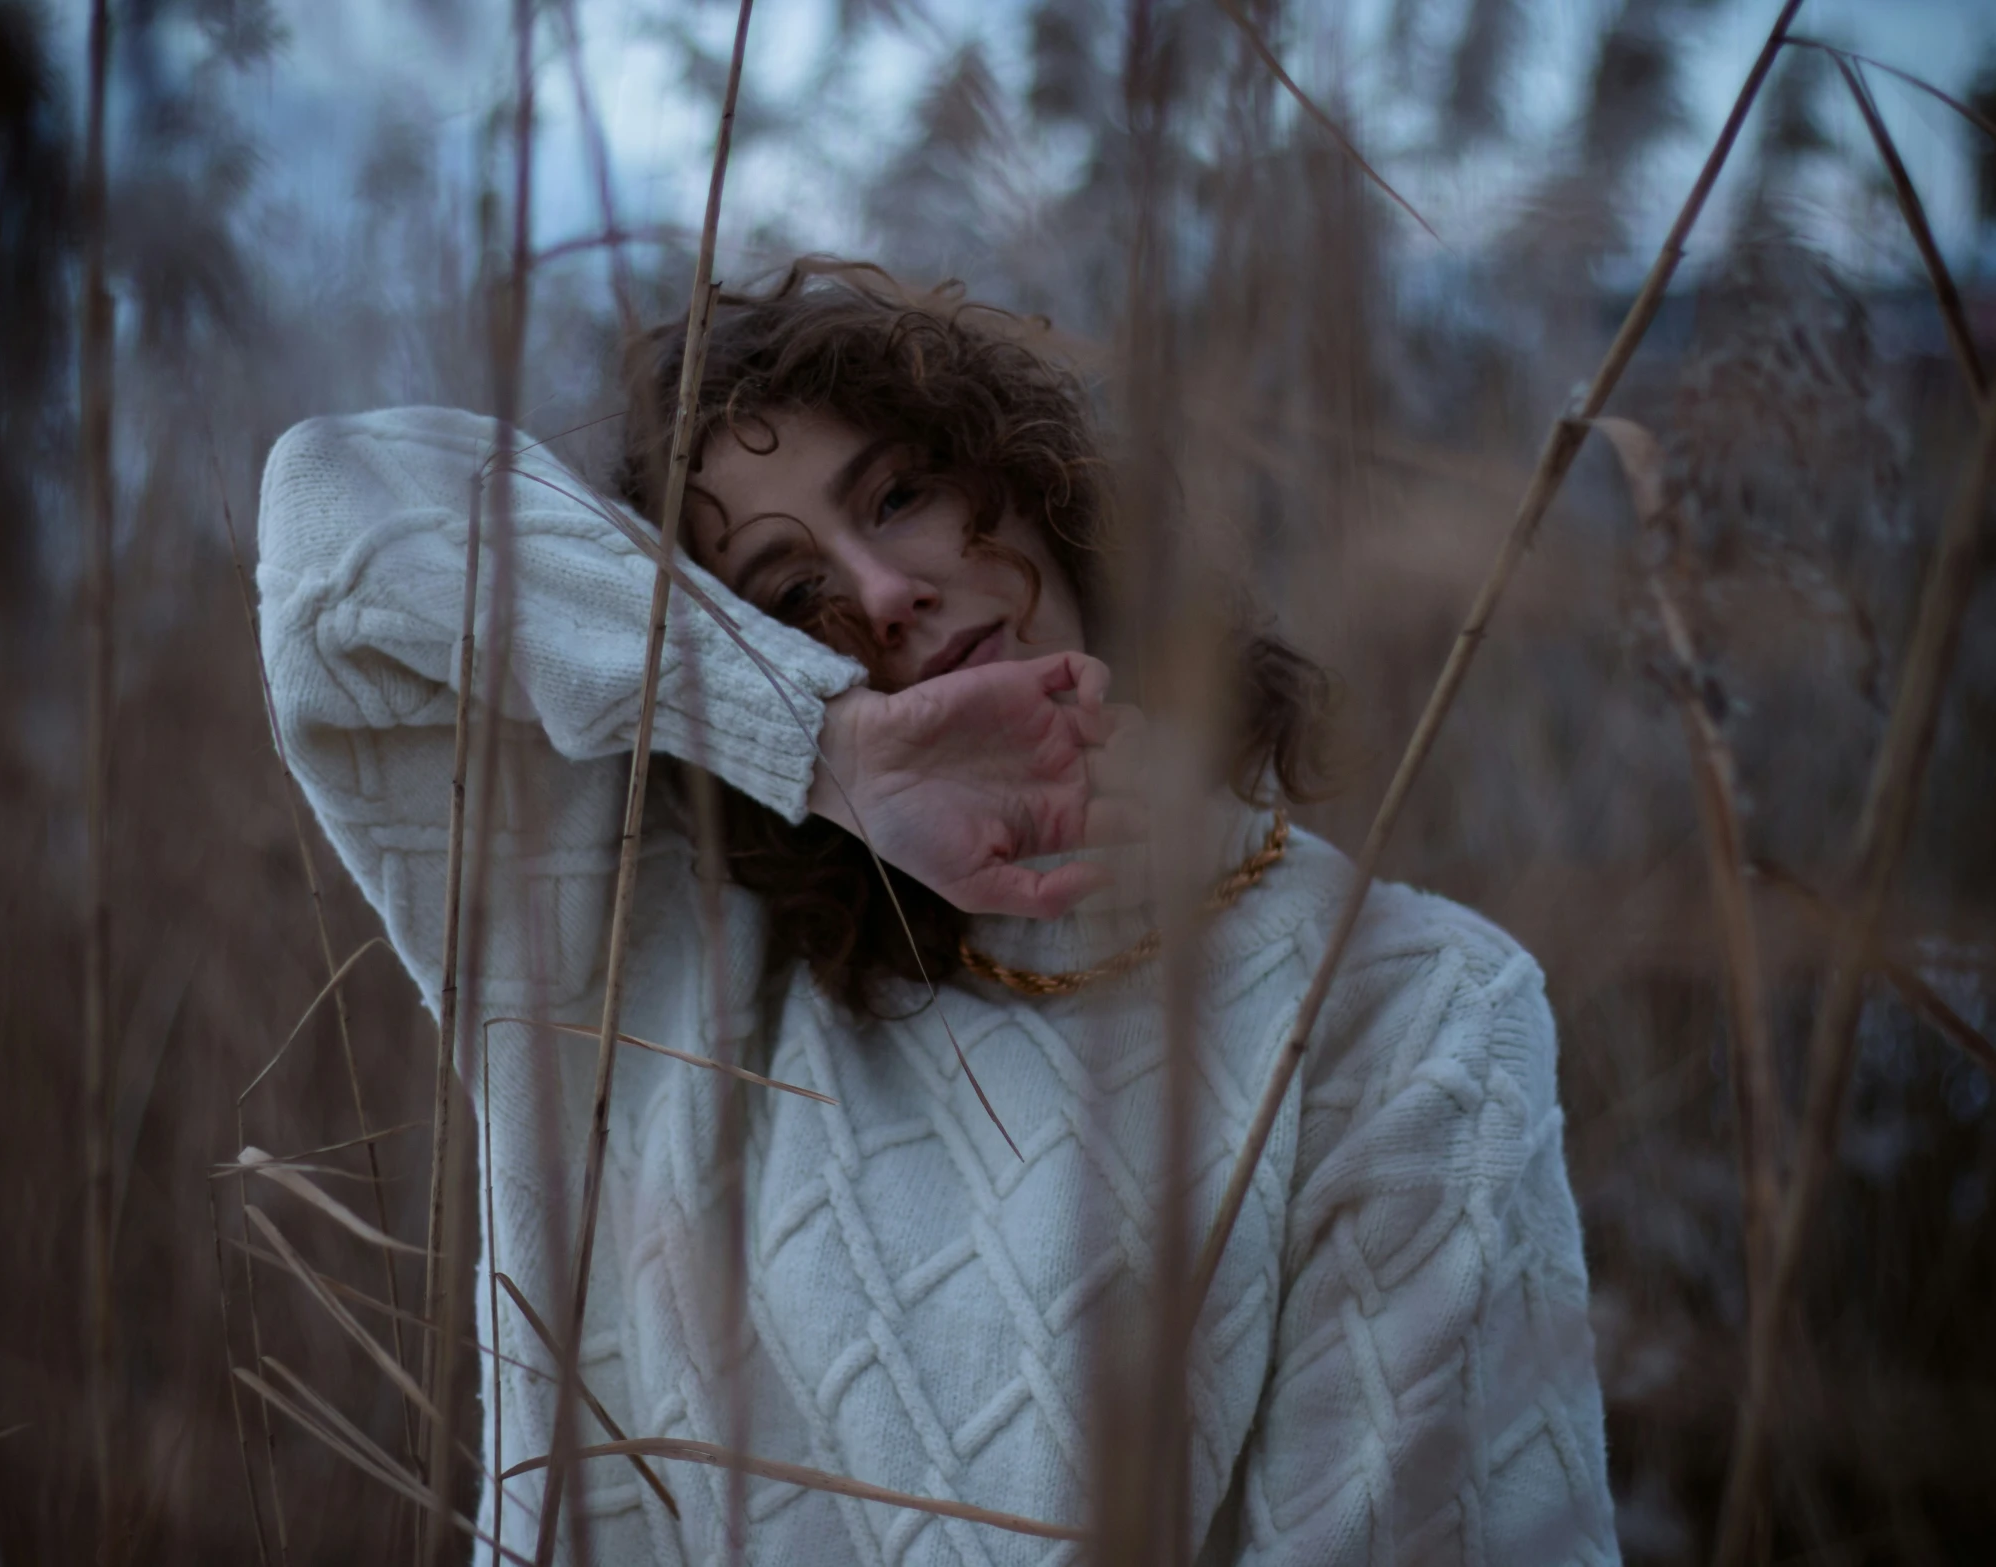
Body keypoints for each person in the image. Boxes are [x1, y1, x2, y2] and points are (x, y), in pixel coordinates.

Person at [255, 260, 1619, 1564]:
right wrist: (825, 743)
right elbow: (334, 517)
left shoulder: (1411, 1005)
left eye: (900, 492)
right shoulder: (654, 944)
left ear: (1027, 481)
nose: (882, 591)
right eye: (790, 594)